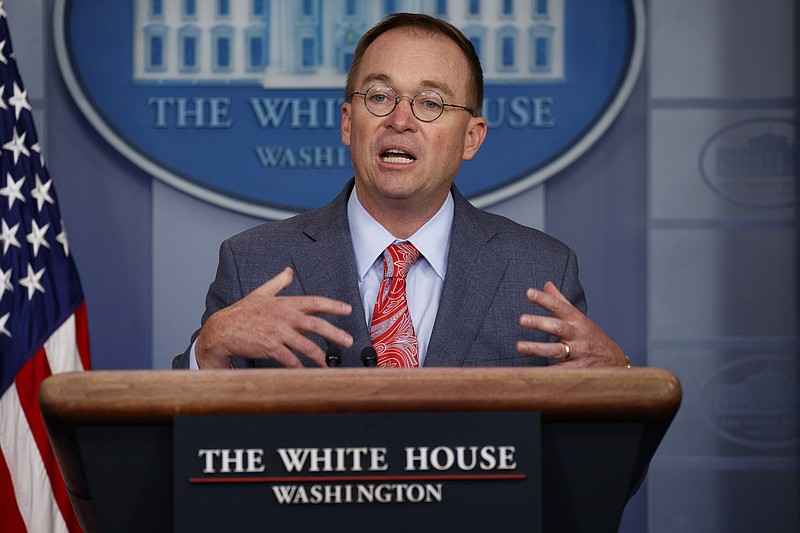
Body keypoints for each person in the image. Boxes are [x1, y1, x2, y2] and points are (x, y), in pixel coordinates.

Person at [172, 13, 630, 370]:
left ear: (472, 137)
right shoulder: (254, 264)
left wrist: (620, 382)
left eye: (430, 103)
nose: (400, 120)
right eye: (378, 96)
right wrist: (209, 353)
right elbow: (173, 461)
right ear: (349, 123)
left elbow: (591, 477)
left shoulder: (540, 272)